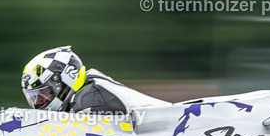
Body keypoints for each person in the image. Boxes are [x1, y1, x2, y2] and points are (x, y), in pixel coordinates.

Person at [20, 46, 168, 114]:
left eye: (43, 93)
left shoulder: (88, 101)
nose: (38, 102)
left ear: (64, 81)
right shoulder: (88, 91)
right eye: (34, 97)